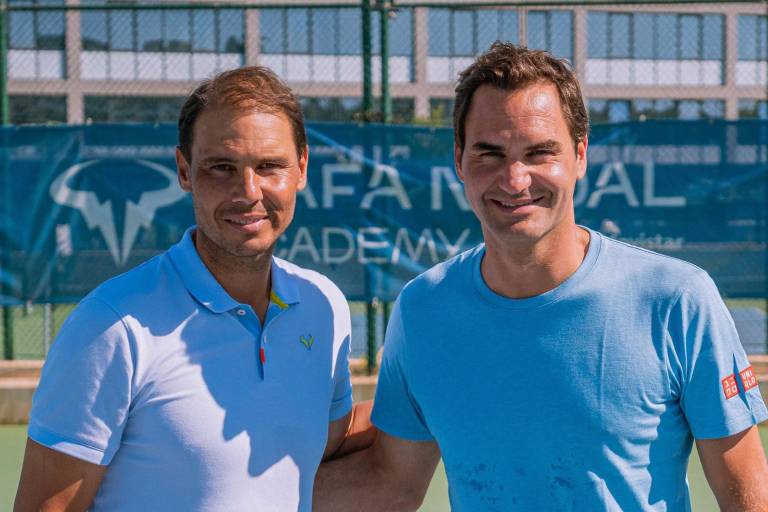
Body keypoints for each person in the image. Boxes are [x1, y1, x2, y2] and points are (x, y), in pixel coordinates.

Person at [314, 43, 768, 511]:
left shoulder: (678, 299)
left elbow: (749, 499)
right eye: (489, 153)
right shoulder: (423, 308)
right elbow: (393, 485)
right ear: (459, 160)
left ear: (579, 156)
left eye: (538, 153)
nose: (514, 179)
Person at [14, 66, 372, 512]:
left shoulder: (325, 306)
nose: (248, 191)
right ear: (184, 171)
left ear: (300, 169)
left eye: (269, 167)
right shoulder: (110, 326)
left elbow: (325, 437)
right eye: (222, 167)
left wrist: (427, 391)